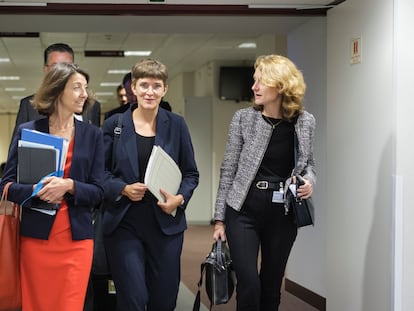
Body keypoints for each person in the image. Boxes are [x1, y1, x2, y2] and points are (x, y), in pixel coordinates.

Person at [212, 54, 316, 311]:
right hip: (243, 211)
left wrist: (309, 182)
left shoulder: (305, 122)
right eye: (254, 80)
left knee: (271, 287)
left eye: (261, 81)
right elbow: (228, 170)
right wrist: (219, 219)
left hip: (283, 213)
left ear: (281, 86)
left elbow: (309, 164)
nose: (254, 87)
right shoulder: (243, 119)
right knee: (249, 286)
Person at [0, 63, 104, 311]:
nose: (84, 94)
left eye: (85, 88)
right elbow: (5, 185)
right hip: (36, 239)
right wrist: (37, 189)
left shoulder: (93, 135)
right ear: (58, 91)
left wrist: (69, 186)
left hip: (77, 240)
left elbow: (99, 191)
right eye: (77, 87)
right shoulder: (28, 131)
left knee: (70, 304)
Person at [101, 58, 199, 310]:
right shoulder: (114, 125)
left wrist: (180, 198)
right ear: (133, 88)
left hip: (166, 223)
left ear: (165, 89)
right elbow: (99, 173)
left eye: (156, 86)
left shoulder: (177, 125)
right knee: (133, 299)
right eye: (144, 85)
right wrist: (122, 188)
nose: (149, 92)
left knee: (163, 300)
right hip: (124, 223)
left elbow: (191, 174)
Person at [12, 42, 101, 139]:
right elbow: (18, 149)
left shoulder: (91, 106)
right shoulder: (28, 105)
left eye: (68, 67)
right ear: (46, 70)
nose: (62, 72)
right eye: (56, 67)